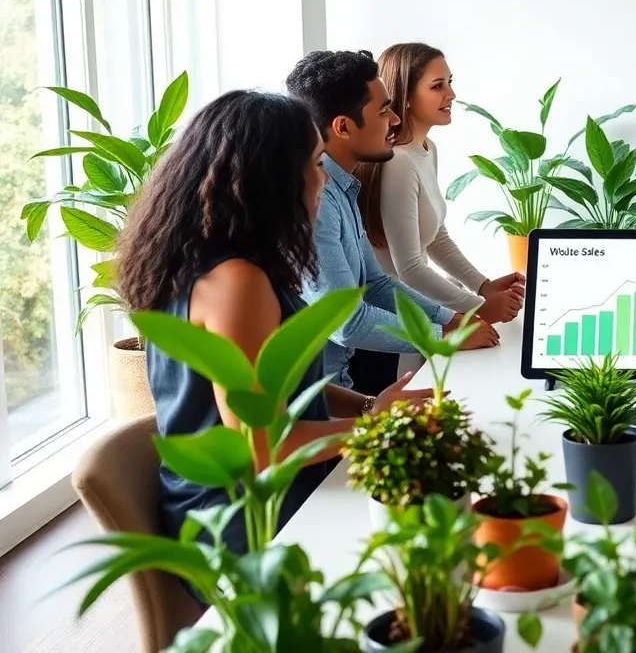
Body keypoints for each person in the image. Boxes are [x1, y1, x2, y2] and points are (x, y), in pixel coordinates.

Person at [117, 90, 431, 594]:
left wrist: (374, 407)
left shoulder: (219, 259)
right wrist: (377, 428)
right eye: (315, 162)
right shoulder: (236, 282)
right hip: (243, 528)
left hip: (260, 498)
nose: (323, 177)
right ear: (272, 181)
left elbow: (283, 384)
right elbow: (261, 445)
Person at [286, 49, 499, 396]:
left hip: (344, 389)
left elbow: (376, 282)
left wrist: (449, 319)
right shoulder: (318, 202)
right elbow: (347, 322)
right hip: (319, 411)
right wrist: (441, 336)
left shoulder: (343, 188)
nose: (396, 120)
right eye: (384, 110)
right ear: (343, 126)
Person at [353, 42, 524, 322]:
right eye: (438, 86)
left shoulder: (426, 149)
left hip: (422, 308)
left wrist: (483, 285)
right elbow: (409, 268)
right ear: (406, 96)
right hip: (400, 319)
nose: (451, 94)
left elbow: (437, 238)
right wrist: (476, 308)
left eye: (449, 83)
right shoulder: (399, 162)